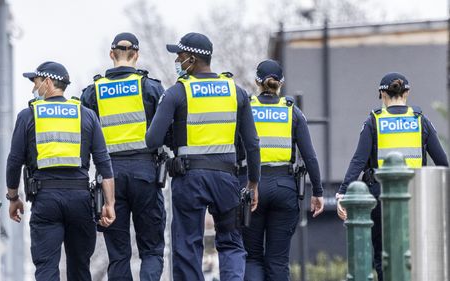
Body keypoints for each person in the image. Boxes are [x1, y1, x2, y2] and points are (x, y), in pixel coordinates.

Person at [145, 32, 261, 281]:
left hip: (189, 178)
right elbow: (252, 143)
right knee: (231, 243)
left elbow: (152, 140)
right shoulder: (236, 92)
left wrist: (174, 135)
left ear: (192, 58)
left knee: (187, 245)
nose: (177, 60)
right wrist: (253, 182)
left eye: (179, 55)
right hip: (227, 178)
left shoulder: (177, 92)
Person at [6, 61, 116, 281]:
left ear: (47, 82)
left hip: (45, 201)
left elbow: (14, 161)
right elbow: (104, 162)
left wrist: (13, 197)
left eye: (35, 82)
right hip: (80, 200)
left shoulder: (28, 116)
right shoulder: (86, 115)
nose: (33, 89)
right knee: (79, 268)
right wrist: (109, 203)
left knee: (46, 268)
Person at [336, 72, 449, 281]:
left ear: (382, 94)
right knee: (415, 254)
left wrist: (342, 193)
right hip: (416, 196)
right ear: (407, 93)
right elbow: (443, 162)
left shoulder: (374, 121)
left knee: (383, 257)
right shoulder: (420, 120)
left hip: (381, 196)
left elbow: (358, 161)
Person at [80, 32, 166, 281]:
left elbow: (85, 135)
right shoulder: (151, 88)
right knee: (151, 250)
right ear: (136, 55)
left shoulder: (92, 92)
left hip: (110, 178)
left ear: (111, 55)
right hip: (145, 175)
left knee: (118, 254)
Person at [242, 60, 324, 281]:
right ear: (281, 83)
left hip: (252, 187)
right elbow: (310, 157)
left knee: (252, 257)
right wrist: (317, 192)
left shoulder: (247, 108)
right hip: (284, 188)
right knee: (277, 260)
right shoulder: (292, 111)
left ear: (256, 81)